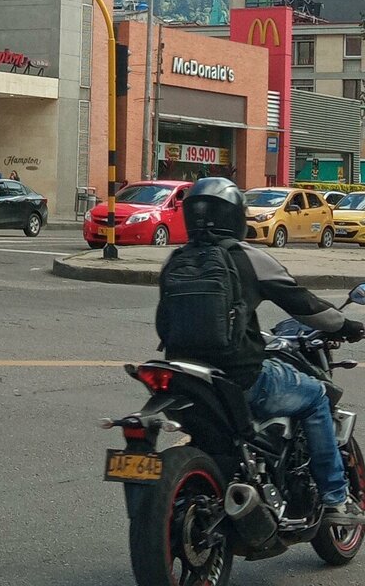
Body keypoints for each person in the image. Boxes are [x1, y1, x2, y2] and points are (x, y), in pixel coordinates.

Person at [156, 177, 365, 524]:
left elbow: (166, 321)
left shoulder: (175, 260)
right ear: (235, 215)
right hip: (241, 375)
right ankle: (335, 500)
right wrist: (348, 326)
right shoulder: (247, 257)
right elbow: (304, 305)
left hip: (183, 376)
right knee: (314, 396)